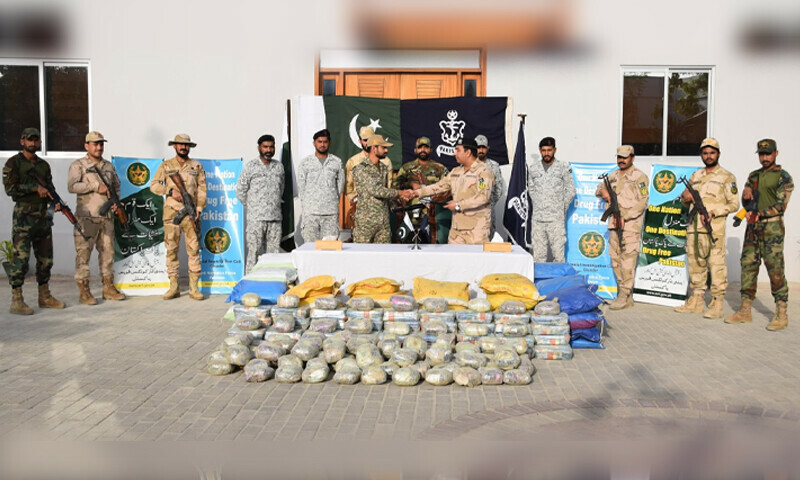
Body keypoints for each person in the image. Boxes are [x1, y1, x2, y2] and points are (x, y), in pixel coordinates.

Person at [726, 139, 794, 330]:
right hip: (752, 229)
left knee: (775, 269)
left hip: (771, 229)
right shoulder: (753, 175)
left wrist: (758, 214)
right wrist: (745, 194)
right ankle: (745, 310)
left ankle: (781, 313)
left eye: (768, 154)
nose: (764, 158)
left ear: (776, 153)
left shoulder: (783, 177)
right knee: (748, 266)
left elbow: (781, 206)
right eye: (761, 154)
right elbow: (747, 202)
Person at [2, 127, 66, 314]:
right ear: (22, 141)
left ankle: (44, 296)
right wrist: (33, 188)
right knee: (21, 259)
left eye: (36, 140)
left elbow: (49, 188)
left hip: (42, 217)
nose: (33, 143)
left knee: (46, 259)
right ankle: (16, 299)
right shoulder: (13, 163)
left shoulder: (43, 166)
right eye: (29, 139)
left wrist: (55, 202)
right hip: (23, 217)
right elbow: (10, 190)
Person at [674, 138, 739, 319]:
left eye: (712, 153)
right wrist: (685, 197)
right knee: (695, 264)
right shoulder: (696, 176)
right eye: (705, 153)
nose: (708, 156)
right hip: (694, 228)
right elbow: (684, 200)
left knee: (716, 265)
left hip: (713, 229)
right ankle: (696, 300)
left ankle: (717, 303)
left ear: (718, 154)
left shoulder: (727, 177)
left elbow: (734, 204)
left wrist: (715, 211)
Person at [66, 131, 126, 305]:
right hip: (87, 218)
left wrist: (117, 203)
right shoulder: (78, 165)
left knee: (108, 253)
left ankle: (108, 288)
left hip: (107, 218)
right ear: (87, 146)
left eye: (101, 144)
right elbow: (72, 186)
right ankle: (84, 291)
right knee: (84, 254)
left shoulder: (108, 166)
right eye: (95, 144)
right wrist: (94, 186)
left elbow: (116, 186)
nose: (99, 147)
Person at [149, 133, 207, 300]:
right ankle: (173, 286)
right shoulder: (166, 166)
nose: (183, 147)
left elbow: (202, 189)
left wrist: (199, 207)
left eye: (186, 145)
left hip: (191, 215)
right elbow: (153, 186)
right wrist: (170, 191)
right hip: (171, 214)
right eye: (180, 145)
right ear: (174, 146)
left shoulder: (196, 166)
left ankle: (194, 288)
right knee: (171, 250)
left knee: (194, 250)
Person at [595, 145, 649, 310]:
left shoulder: (639, 177)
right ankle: (625, 294)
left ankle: (624, 295)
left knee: (628, 259)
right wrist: (604, 192)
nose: (621, 160)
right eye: (619, 157)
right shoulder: (613, 175)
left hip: (630, 224)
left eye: (625, 157)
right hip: (614, 222)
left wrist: (626, 216)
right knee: (615, 258)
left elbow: (643, 201)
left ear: (632, 157)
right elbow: (599, 189)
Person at [412, 137, 493, 244]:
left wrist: (458, 205)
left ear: (468, 152)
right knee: (453, 259)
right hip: (456, 230)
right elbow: (440, 186)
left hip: (476, 230)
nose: (454, 153)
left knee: (474, 260)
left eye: (458, 150)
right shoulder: (456, 171)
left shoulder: (483, 171)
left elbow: (483, 197)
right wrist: (416, 193)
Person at [236, 134, 284, 274]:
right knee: (254, 253)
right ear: (259, 148)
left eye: (271, 147)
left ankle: (270, 282)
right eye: (265, 147)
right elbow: (241, 190)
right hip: (256, 219)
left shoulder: (279, 167)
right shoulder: (251, 166)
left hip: (275, 218)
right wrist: (254, 207)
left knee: (273, 255)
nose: (268, 150)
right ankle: (250, 282)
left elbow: (280, 190)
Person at [352, 135, 414, 243]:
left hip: (384, 221)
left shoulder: (384, 168)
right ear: (373, 148)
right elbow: (375, 190)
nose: (386, 150)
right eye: (383, 147)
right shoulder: (361, 169)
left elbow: (385, 191)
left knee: (383, 255)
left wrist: (397, 204)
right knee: (361, 256)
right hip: (366, 222)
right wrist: (400, 193)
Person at [526, 137, 576, 262]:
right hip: (538, 219)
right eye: (543, 150)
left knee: (558, 256)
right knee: (538, 256)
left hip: (555, 220)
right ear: (540, 151)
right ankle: (539, 281)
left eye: (549, 150)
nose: (546, 153)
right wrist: (538, 204)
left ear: (555, 150)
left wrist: (560, 207)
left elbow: (571, 190)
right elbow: (531, 190)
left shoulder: (563, 167)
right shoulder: (533, 169)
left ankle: (558, 281)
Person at [393, 136, 450, 243]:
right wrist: (410, 184)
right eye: (420, 147)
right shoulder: (407, 168)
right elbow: (395, 185)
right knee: (409, 245)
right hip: (410, 213)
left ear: (431, 150)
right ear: (415, 150)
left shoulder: (439, 168)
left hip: (432, 214)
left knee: (431, 246)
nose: (423, 150)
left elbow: (447, 189)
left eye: (426, 147)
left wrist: (435, 197)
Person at [296, 129, 344, 242]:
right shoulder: (305, 162)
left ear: (329, 143)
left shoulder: (337, 162)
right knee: (310, 248)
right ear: (314, 143)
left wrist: (331, 200)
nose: (322, 144)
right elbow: (301, 186)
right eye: (319, 141)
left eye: (325, 142)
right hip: (311, 213)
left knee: (329, 249)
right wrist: (308, 204)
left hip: (330, 213)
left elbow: (340, 186)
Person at [344, 126, 393, 228]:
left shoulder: (385, 161)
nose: (368, 143)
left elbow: (388, 185)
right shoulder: (353, 161)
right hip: (361, 210)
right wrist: (356, 202)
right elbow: (348, 187)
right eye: (365, 140)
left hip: (380, 209)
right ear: (360, 141)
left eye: (370, 139)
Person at [475, 134, 506, 238]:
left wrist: (490, 202)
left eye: (483, 147)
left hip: (488, 209)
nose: (481, 150)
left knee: (488, 238)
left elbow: (499, 188)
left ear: (487, 148)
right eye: (478, 147)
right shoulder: (468, 166)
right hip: (471, 210)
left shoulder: (494, 166)